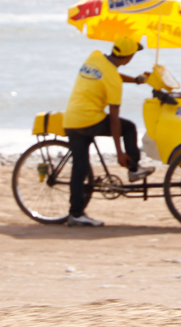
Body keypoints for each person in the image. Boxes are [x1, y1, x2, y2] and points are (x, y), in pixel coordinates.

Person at [62, 33, 155, 227]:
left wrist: (137, 80)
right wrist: (119, 153)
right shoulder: (113, 81)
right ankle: (134, 169)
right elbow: (114, 121)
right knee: (128, 127)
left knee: (80, 167)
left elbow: (110, 73)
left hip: (71, 119)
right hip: (89, 121)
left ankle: (76, 214)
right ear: (129, 58)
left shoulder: (95, 56)